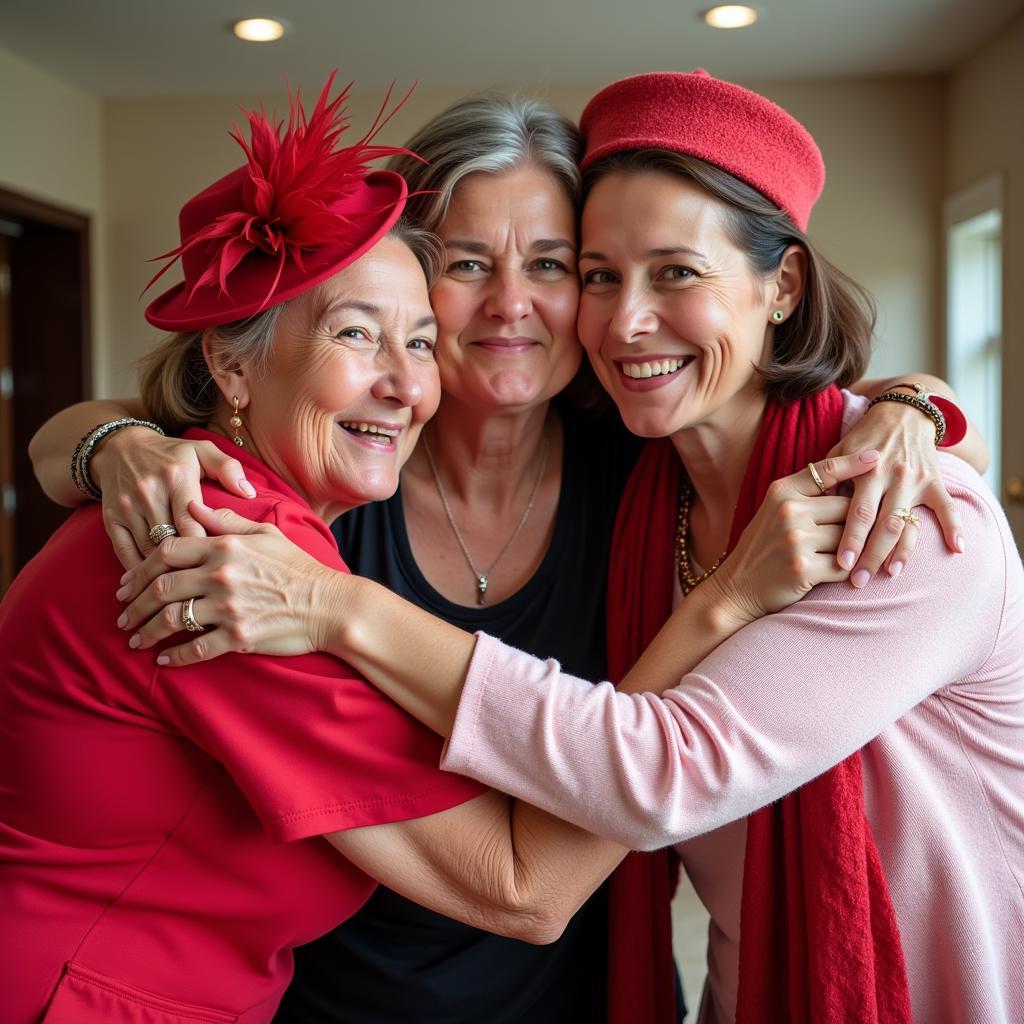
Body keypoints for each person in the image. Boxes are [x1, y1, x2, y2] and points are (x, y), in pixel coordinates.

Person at [28, 89, 989, 1022]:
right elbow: (142, 425)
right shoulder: (319, 483)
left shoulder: (641, 462)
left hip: (567, 982)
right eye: (466, 263)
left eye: (556, 265)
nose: (511, 304)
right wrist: (106, 444)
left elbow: (852, 428)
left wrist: (914, 411)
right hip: (326, 988)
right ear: (408, 268)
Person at [0, 76, 635, 1024]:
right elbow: (520, 886)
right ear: (230, 363)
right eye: (356, 333)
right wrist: (719, 626)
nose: (402, 381)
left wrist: (913, 406)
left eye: (415, 341)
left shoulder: (629, 472)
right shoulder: (218, 546)